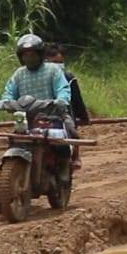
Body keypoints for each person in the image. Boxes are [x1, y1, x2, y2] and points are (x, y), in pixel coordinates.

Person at [0, 34, 73, 213]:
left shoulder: (53, 71)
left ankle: (63, 167)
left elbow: (63, 90)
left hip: (51, 117)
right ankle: (2, 192)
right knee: (14, 140)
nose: (29, 58)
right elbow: (8, 93)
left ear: (40, 54)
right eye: (25, 55)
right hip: (26, 119)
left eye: (32, 54)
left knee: (59, 139)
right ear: (20, 57)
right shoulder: (18, 74)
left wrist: (60, 101)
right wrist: (4, 102)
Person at [45, 42, 88, 171]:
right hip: (39, 113)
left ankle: (75, 155)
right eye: (53, 63)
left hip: (62, 114)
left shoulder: (67, 77)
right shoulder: (36, 76)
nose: (57, 67)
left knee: (71, 128)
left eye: (59, 63)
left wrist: (83, 116)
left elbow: (76, 100)